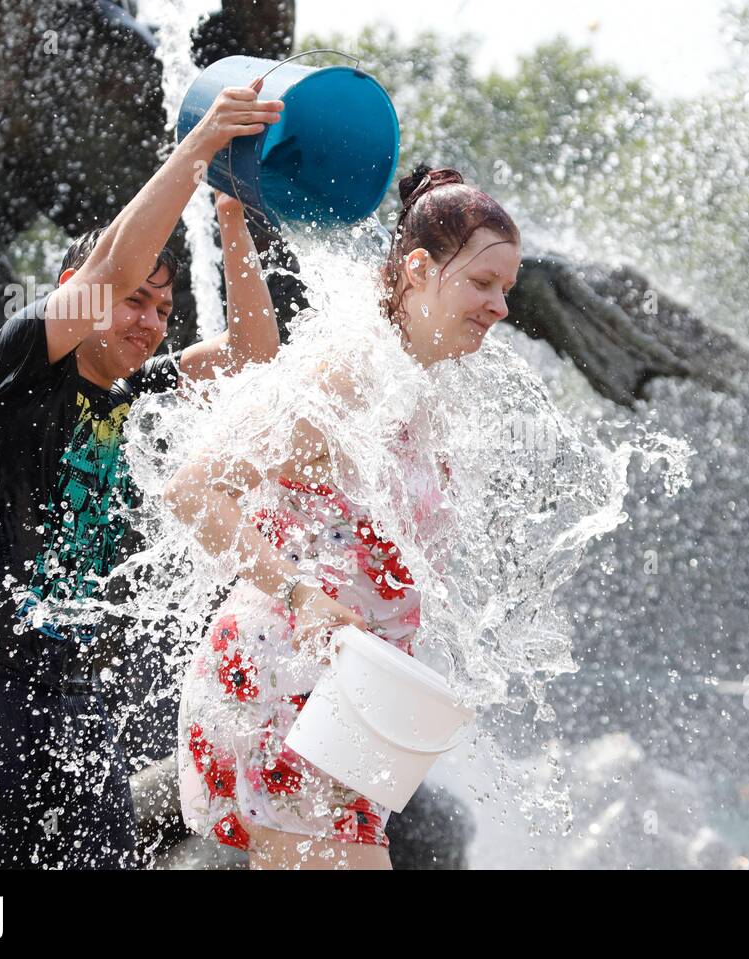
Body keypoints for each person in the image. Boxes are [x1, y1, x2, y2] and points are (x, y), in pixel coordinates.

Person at [0, 80, 286, 869]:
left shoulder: (133, 389)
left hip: (72, 694)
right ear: (73, 296)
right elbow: (110, 266)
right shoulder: (19, 359)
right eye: (132, 302)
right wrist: (201, 142)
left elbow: (254, 356)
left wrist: (232, 217)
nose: (147, 322)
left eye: (161, 309)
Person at [164, 163, 522, 870]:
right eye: (483, 284)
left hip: (355, 699)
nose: (500, 307)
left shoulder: (426, 391)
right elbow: (194, 488)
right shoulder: (345, 373)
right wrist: (302, 593)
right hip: (281, 676)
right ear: (418, 270)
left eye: (506, 289)